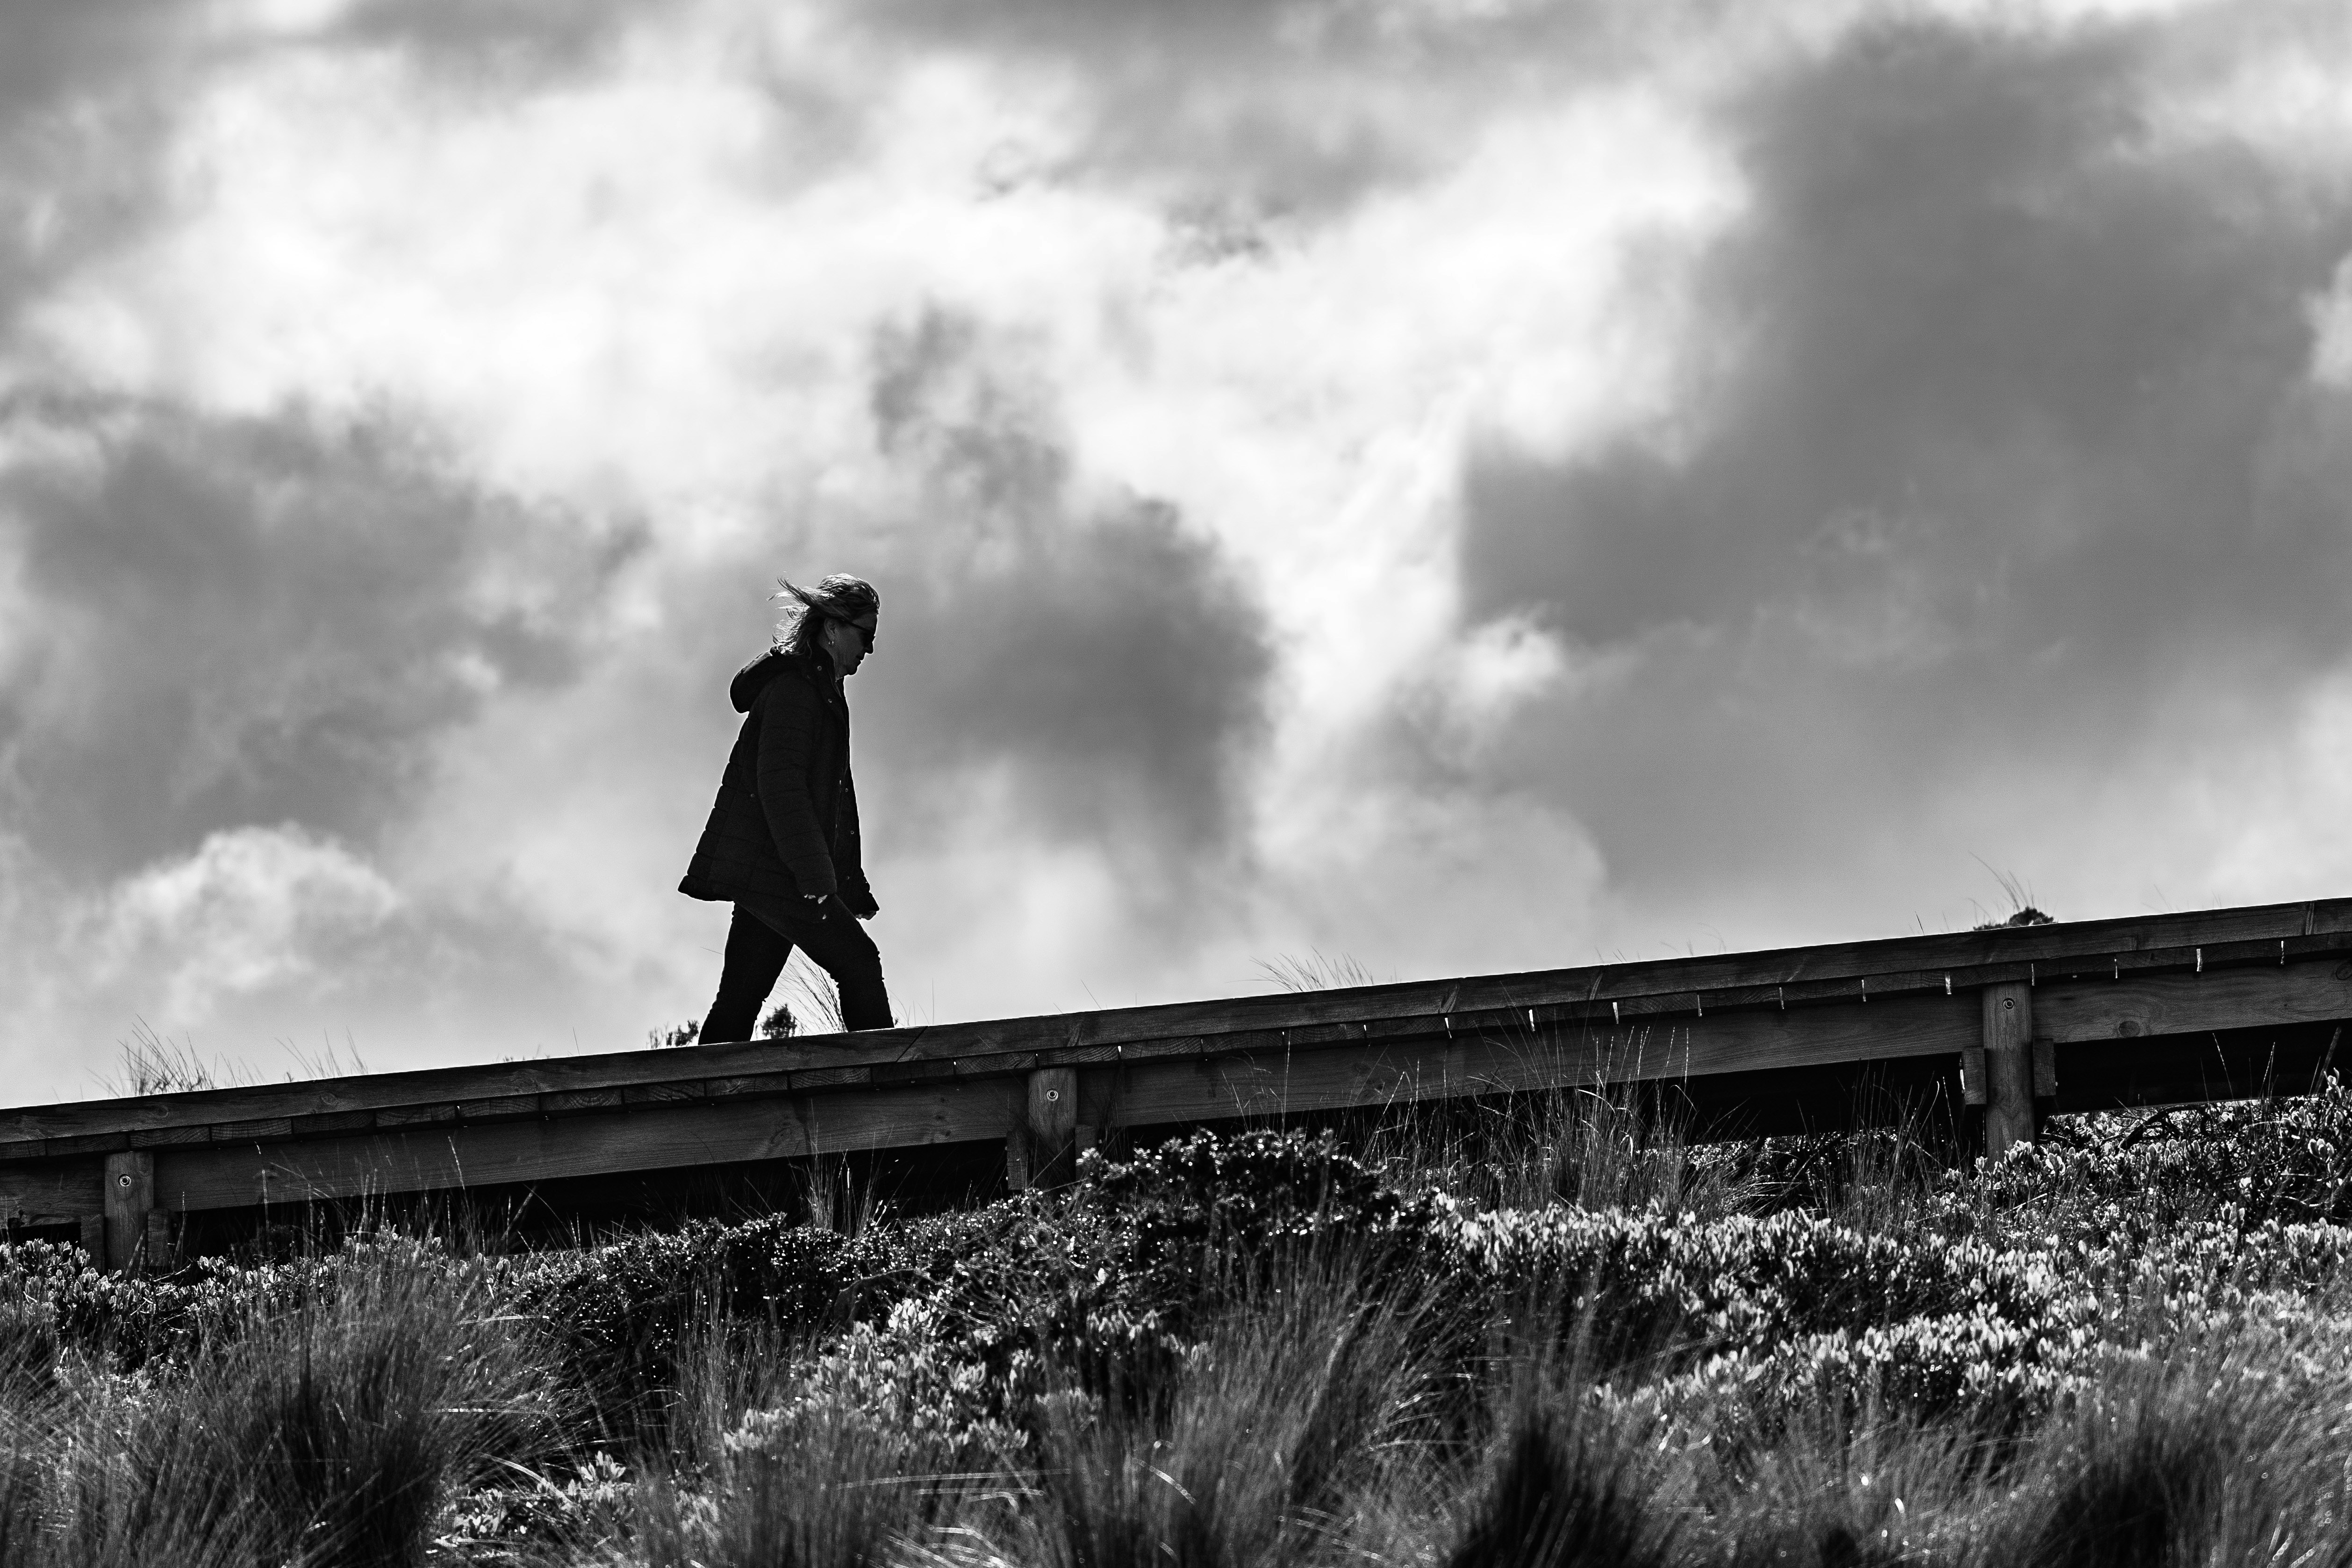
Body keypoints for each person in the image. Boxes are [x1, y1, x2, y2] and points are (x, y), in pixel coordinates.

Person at [679, 573, 892, 1040]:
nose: (870, 650)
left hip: (772, 872)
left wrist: (839, 878)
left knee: (738, 998)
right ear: (832, 629)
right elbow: (782, 788)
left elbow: (821, 795)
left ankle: (697, 1100)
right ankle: (884, 1089)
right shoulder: (797, 691)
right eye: (866, 635)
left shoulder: (820, 689)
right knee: (858, 962)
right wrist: (816, 878)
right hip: (783, 873)